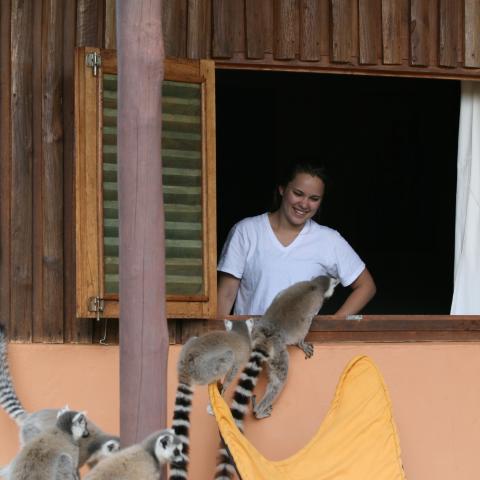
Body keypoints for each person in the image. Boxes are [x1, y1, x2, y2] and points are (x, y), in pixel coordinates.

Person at [217, 162, 376, 320]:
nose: (304, 204)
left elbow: (366, 286)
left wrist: (333, 325)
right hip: (250, 341)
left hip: (299, 342)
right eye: (298, 193)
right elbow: (226, 294)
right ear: (282, 189)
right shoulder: (247, 231)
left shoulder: (329, 240)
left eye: (314, 198)